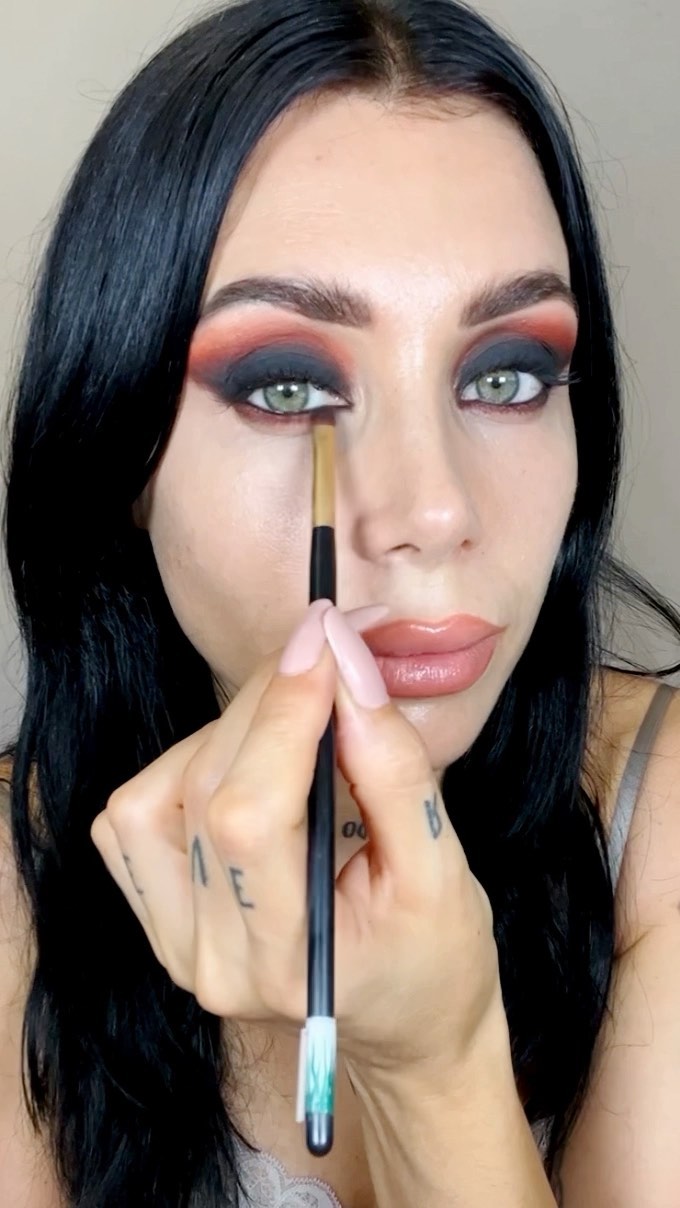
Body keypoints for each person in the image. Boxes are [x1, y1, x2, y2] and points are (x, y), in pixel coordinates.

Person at [1, 0, 679, 1204]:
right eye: (285, 386)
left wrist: (432, 1068)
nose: (433, 509)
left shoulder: (659, 832)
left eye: (506, 373)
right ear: (121, 450)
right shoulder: (16, 891)